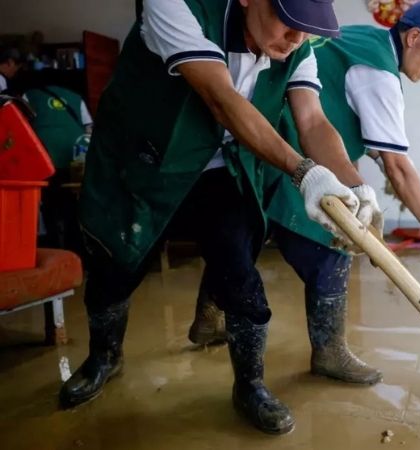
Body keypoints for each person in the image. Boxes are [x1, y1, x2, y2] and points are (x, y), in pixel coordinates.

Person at [59, 0, 384, 436]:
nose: (297, 39)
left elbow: (312, 120)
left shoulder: (297, 46)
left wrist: (354, 185)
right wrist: (305, 173)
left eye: (306, 28)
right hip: (143, 164)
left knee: (239, 275)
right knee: (114, 268)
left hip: (218, 168)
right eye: (288, 21)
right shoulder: (177, 5)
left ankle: (250, 385)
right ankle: (104, 357)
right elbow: (220, 98)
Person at [188, 0, 420, 387]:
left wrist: (361, 183)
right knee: (334, 244)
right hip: (290, 151)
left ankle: (209, 317)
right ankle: (329, 351)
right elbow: (398, 168)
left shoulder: (365, 40)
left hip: (261, 142)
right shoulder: (379, 74)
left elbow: (350, 126)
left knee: (244, 238)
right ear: (414, 37)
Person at [25, 86, 93, 252]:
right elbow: (89, 130)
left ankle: (52, 247)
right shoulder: (76, 97)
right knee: (71, 207)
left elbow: (21, 124)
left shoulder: (29, 95)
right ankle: (75, 250)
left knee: (47, 206)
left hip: (43, 161)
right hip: (73, 161)